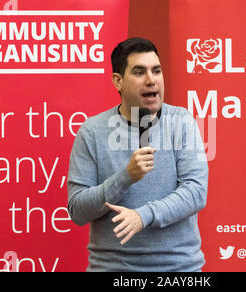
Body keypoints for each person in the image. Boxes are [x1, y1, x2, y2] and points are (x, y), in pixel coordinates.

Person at [67, 37, 209, 272]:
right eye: (139, 72)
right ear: (118, 81)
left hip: (178, 269)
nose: (152, 80)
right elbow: (78, 211)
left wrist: (143, 216)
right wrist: (125, 177)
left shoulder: (181, 121)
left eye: (156, 71)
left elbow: (195, 192)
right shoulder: (92, 131)